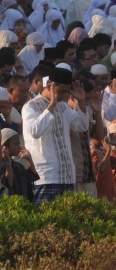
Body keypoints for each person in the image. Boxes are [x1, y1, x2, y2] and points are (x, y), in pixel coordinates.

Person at [22, 68, 89, 204]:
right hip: (45, 176)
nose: (65, 96)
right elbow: (34, 131)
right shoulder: (31, 106)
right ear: (49, 87)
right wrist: (51, 106)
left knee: (67, 223)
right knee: (46, 224)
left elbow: (81, 126)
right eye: (61, 91)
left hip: (67, 176)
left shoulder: (63, 107)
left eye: (67, 91)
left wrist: (81, 103)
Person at [1, 128, 40, 202]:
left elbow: (32, 176)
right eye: (16, 144)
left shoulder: (17, 166)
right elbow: (8, 185)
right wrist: (8, 163)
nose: (19, 146)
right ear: (4, 146)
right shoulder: (1, 166)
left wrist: (29, 159)